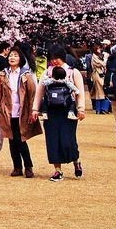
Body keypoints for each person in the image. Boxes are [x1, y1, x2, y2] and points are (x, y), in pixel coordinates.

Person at [32, 48, 86, 182]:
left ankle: (76, 160)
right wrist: (35, 109)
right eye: (52, 58)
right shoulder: (46, 73)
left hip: (69, 111)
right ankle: (58, 170)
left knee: (68, 140)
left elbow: (80, 92)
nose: (54, 61)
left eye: (57, 58)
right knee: (52, 140)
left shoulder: (73, 72)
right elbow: (40, 91)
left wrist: (81, 109)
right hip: (50, 111)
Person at [0, 45, 41, 178]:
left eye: (15, 56)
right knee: (11, 140)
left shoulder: (26, 75)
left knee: (21, 139)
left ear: (20, 59)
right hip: (7, 112)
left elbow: (32, 94)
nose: (12, 58)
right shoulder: (3, 74)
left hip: (22, 112)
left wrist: (33, 110)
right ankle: (17, 167)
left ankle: (28, 166)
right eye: (11, 55)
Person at [89, 43, 109, 114]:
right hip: (97, 75)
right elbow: (102, 63)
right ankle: (101, 109)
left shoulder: (98, 56)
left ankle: (100, 109)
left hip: (100, 75)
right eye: (98, 48)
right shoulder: (94, 57)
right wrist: (105, 59)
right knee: (101, 92)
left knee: (100, 92)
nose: (100, 50)